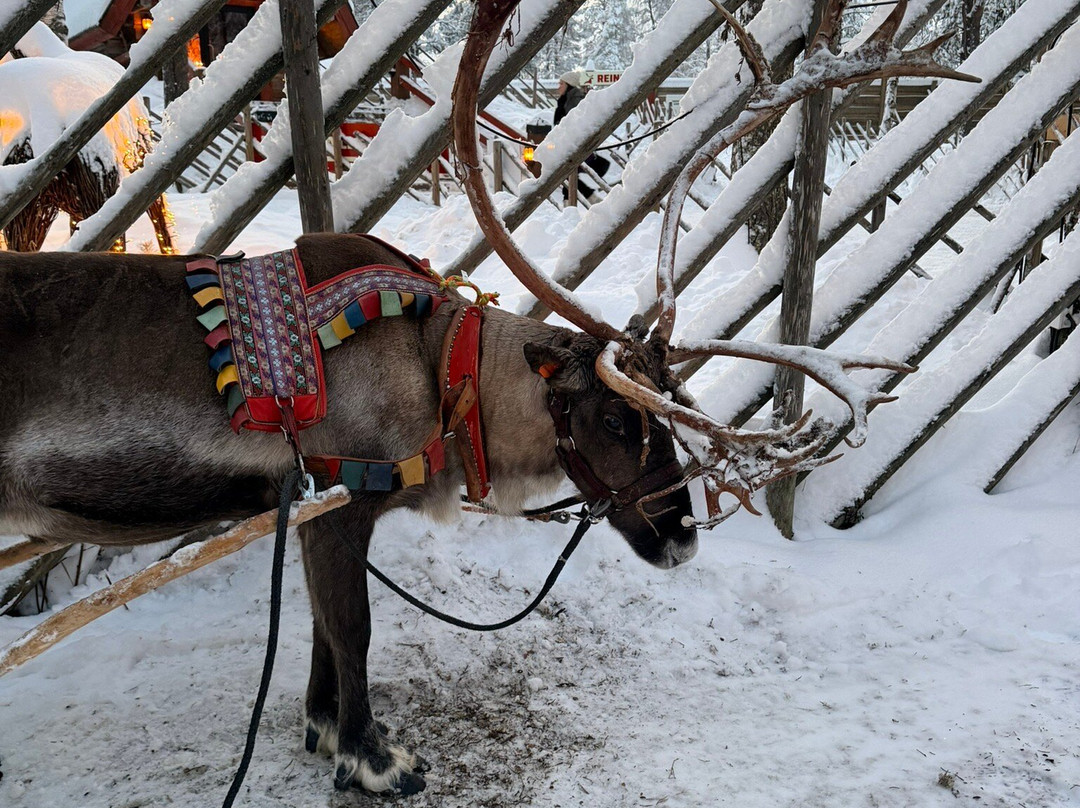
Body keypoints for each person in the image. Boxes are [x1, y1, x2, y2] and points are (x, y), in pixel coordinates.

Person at [553, 69, 610, 203]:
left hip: (573, 145)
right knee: (567, 173)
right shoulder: (566, 99)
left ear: (568, 85)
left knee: (566, 173)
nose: (558, 87)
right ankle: (574, 201)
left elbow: (575, 123)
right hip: (567, 144)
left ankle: (574, 201)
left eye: (561, 83)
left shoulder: (575, 100)